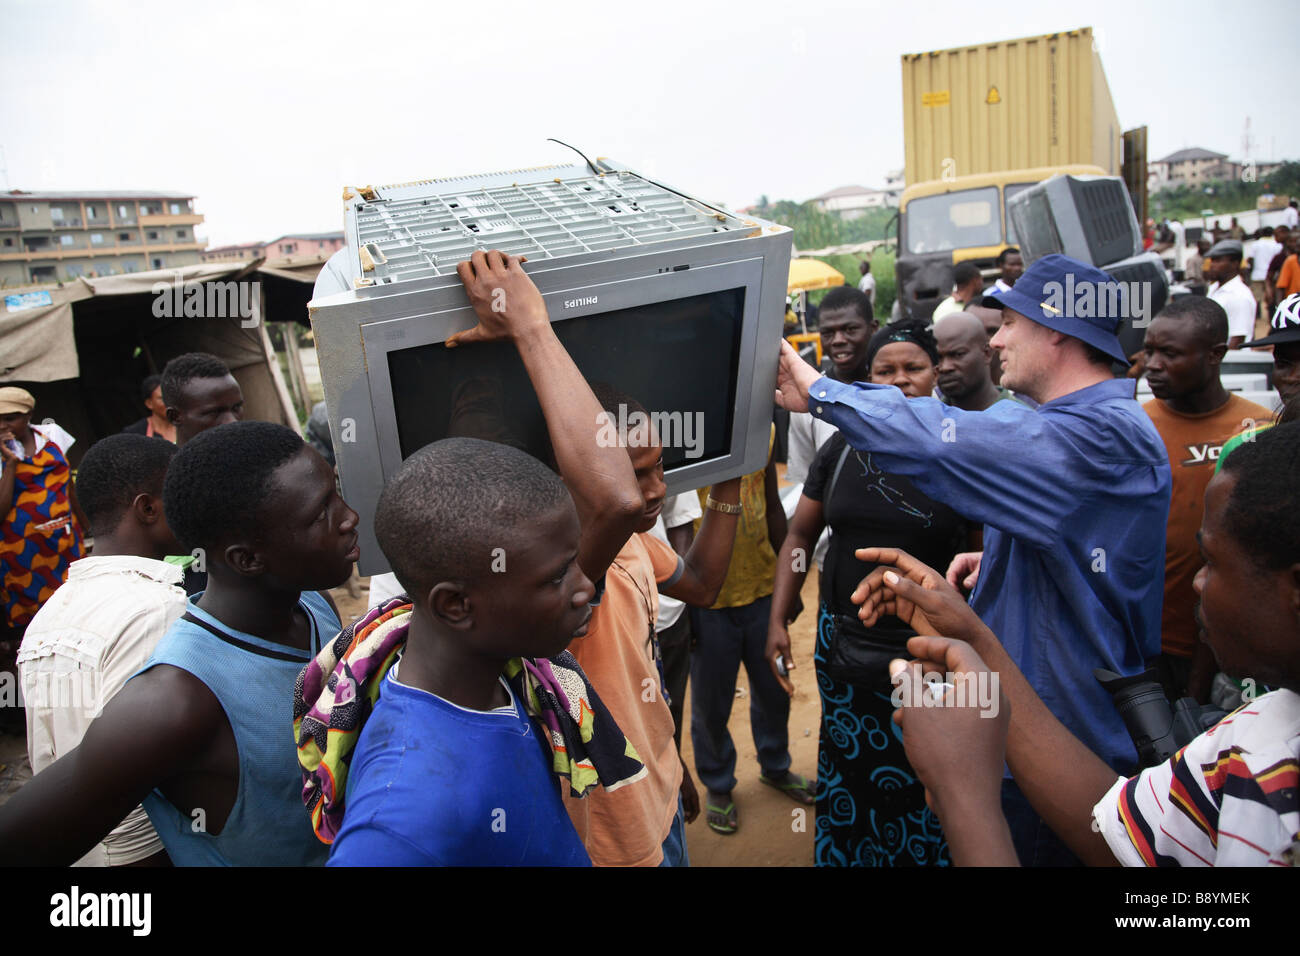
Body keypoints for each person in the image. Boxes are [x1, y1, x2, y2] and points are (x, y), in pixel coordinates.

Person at [772, 253, 1172, 867]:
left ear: (1060, 329)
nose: (998, 339)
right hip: (1033, 734)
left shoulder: (1102, 436)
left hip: (1061, 747)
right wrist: (1005, 566)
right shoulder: (1079, 427)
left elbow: (945, 444)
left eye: (1011, 324)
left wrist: (822, 391)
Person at [864, 423, 1300, 866]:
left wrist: (964, 797)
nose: (1196, 581)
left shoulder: (1277, 775)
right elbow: (1117, 835)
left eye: (1211, 562)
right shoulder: (1255, 733)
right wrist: (970, 636)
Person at [447, 249, 743, 867]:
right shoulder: (559, 572)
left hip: (655, 791)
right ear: (577, 476)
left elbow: (705, 584)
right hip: (612, 835)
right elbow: (614, 502)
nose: (655, 491)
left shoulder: (633, 540)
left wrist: (735, 471)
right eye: (637, 474)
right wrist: (530, 325)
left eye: (659, 467)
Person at [0, 421, 353, 865]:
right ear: (246, 558)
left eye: (335, 492)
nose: (349, 517)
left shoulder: (315, 606)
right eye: (321, 512)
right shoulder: (176, 699)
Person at [327, 438, 592, 866]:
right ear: (455, 606)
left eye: (575, 561)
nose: (586, 588)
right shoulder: (400, 817)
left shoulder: (500, 673)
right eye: (557, 576)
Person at [769, 320, 971, 866]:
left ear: (937, 374)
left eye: (913, 368)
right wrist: (777, 618)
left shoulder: (962, 451)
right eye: (886, 370)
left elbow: (987, 564)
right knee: (848, 771)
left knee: (926, 780)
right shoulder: (841, 449)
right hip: (843, 649)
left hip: (932, 656)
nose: (900, 380)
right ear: (869, 377)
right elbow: (800, 536)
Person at [16, 434, 183, 866]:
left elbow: (50, 759)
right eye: (180, 494)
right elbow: (131, 770)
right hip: (144, 852)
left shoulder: (52, 611)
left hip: (75, 847)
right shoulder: (158, 608)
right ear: (148, 509)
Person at [1138, 298, 1273, 702]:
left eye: (1170, 353)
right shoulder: (1136, 429)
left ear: (1216, 355)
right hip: (1149, 638)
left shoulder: (1258, 429)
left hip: (1231, 641)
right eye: (1149, 351)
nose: (1152, 364)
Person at [690, 429, 811, 837]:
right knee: (711, 703)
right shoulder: (684, 440)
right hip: (708, 605)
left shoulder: (765, 431)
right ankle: (718, 784)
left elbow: (773, 507)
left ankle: (775, 765)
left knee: (774, 688)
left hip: (763, 595)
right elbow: (675, 522)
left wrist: (787, 587)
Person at [0, 386, 88, 688]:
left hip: (64, 545)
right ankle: (45, 690)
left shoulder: (54, 437)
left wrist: (88, 526)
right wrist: (10, 464)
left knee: (76, 614)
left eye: (10, 418)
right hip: (20, 558)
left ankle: (82, 680)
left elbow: (68, 484)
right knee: (34, 628)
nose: (2, 425)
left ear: (29, 416)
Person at [787, 286, 875, 574]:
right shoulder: (808, 402)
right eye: (828, 333)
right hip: (834, 561)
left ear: (872, 328)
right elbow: (805, 484)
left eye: (850, 329)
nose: (838, 341)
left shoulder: (899, 394)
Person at [159, 352, 244, 446]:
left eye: (236, 408)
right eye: (214, 412)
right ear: (175, 417)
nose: (232, 421)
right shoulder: (164, 460)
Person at [933, 311, 1009, 410]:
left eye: (958, 354)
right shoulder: (926, 420)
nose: (945, 367)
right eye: (937, 358)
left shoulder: (1023, 420)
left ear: (987, 353)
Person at [1205, 239, 1257, 350]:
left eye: (1218, 261)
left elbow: (1237, 340)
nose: (1212, 265)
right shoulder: (1214, 288)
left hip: (1230, 362)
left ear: (1235, 263)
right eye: (1212, 260)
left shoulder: (1239, 296)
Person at [121, 374, 176, 443]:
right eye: (162, 398)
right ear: (149, 403)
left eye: (170, 396)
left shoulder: (186, 425)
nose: (169, 402)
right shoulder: (135, 434)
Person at [1247, 227, 1282, 335]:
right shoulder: (1277, 244)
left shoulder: (1256, 244)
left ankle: (1257, 316)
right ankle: (1272, 317)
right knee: (1271, 297)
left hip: (1258, 274)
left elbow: (1251, 259)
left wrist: (1251, 270)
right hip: (1271, 275)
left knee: (1256, 297)